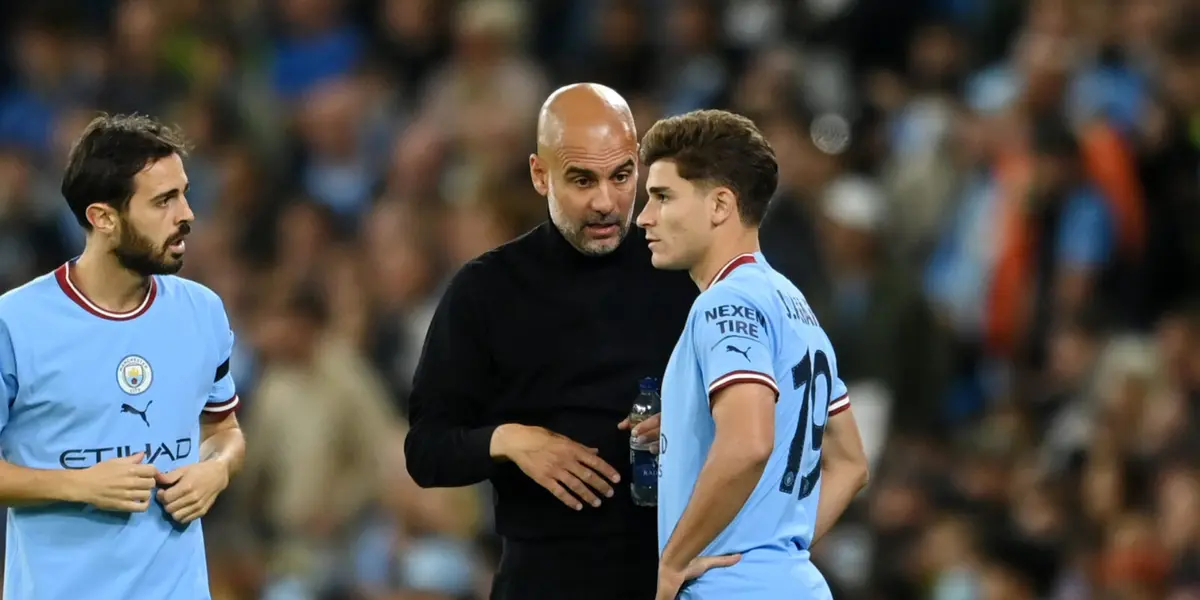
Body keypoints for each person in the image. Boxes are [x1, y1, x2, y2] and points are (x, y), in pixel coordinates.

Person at [403, 83, 697, 600]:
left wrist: (694, 424)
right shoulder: (485, 290)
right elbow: (425, 450)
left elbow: (764, 420)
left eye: (621, 176)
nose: (605, 202)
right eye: (583, 180)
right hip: (542, 578)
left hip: (675, 575)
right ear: (540, 175)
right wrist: (512, 441)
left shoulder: (686, 275)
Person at [0, 114, 245, 599]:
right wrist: (77, 485)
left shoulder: (203, 312)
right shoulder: (15, 323)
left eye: (184, 194)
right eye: (163, 201)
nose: (187, 214)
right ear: (104, 218)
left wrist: (216, 470)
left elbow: (224, 430)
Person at [636, 109, 870, 599]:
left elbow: (748, 442)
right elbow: (850, 463)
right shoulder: (792, 303)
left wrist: (672, 562)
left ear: (720, 205)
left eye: (663, 196)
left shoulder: (725, 302)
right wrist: (778, 550)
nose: (644, 217)